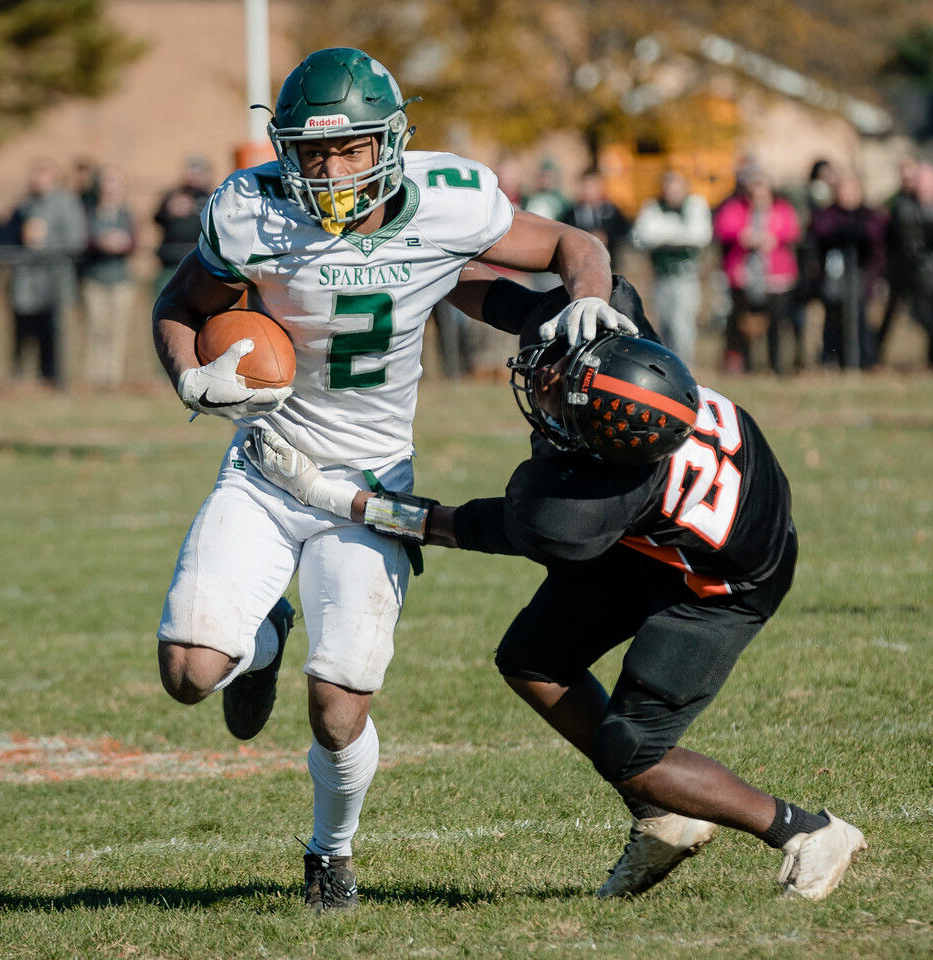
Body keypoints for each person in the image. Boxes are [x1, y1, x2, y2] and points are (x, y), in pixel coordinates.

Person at [152, 47, 636, 913]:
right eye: (311, 152)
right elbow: (177, 307)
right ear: (285, 150)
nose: (331, 171)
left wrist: (588, 298)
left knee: (338, 709)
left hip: (369, 485)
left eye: (351, 149)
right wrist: (191, 375)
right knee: (189, 672)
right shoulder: (251, 211)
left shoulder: (448, 200)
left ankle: (329, 854)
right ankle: (261, 641)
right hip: (268, 468)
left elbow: (572, 243)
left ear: (391, 142)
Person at [245, 324, 867, 904]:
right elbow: (585, 275)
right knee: (532, 657)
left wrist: (344, 500)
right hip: (662, 535)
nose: (550, 386)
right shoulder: (636, 372)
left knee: (631, 752)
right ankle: (663, 819)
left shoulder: (577, 509)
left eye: (570, 399)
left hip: (718, 588)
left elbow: (464, 525)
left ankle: (805, 830)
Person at [4, 158, 88, 386]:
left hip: (55, 281)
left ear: (54, 177)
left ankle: (55, 379)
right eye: (34, 174)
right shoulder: (23, 206)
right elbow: (8, 239)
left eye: (42, 173)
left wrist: (45, 240)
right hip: (26, 283)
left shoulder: (67, 203)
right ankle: (22, 379)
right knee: (23, 334)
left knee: (55, 333)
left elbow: (77, 241)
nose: (36, 179)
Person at [714, 170, 801, 374]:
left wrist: (773, 238)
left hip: (776, 278)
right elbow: (723, 227)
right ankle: (748, 364)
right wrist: (742, 236)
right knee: (744, 324)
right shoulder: (736, 208)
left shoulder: (782, 209)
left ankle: (777, 365)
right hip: (745, 276)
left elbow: (792, 230)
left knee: (777, 323)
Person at [630, 171, 712, 365]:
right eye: (668, 187)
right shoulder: (653, 207)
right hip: (661, 277)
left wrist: (663, 233)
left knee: (682, 325)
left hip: (686, 276)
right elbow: (642, 236)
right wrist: (678, 232)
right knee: (663, 324)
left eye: (676, 187)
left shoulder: (694, 205)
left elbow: (699, 236)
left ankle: (685, 367)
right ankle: (668, 366)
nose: (671, 192)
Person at [809, 173, 884, 369]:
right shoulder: (829, 214)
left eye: (852, 191)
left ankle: (864, 361)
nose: (847, 195)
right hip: (834, 279)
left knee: (859, 318)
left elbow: (874, 235)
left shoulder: (868, 214)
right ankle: (831, 359)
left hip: (861, 277)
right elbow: (820, 230)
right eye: (843, 191)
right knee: (833, 320)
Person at [78, 166, 137, 388]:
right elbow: (82, 239)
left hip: (121, 279)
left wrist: (124, 243)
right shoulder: (88, 211)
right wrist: (100, 242)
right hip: (94, 278)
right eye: (106, 183)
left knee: (118, 330)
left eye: (114, 183)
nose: (109, 188)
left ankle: (113, 378)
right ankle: (93, 377)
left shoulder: (127, 214)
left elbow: (135, 242)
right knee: (96, 328)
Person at [876, 155, 921, 360]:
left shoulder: (924, 200)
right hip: (898, 265)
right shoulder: (893, 201)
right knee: (890, 314)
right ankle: (875, 355)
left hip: (921, 267)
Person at [153, 155, 213, 294]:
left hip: (200, 263)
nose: (194, 176)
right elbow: (156, 219)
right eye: (191, 172)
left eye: (199, 172)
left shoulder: (213, 197)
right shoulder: (173, 195)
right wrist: (168, 210)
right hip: (170, 262)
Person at [562, 170, 631, 271]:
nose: (588, 191)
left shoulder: (612, 211)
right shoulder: (572, 214)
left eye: (592, 186)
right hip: (582, 269)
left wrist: (607, 237)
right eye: (585, 187)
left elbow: (624, 234)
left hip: (610, 267)